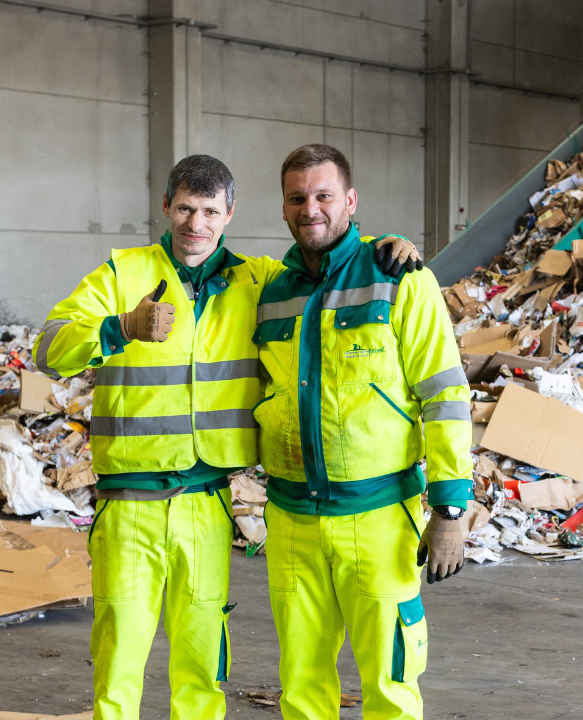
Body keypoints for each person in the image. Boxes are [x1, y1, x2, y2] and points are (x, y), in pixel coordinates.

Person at [31, 154, 421, 720]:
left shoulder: (256, 280)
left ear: (230, 213)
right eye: (185, 209)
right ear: (166, 207)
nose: (197, 224)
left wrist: (383, 246)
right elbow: (49, 348)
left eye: (210, 212)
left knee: (202, 668)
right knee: (118, 663)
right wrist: (121, 327)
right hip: (130, 507)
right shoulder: (123, 274)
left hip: (207, 504)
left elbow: (322, 264)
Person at [251, 144, 474, 720]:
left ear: (350, 201)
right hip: (292, 520)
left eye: (324, 196)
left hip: (377, 518)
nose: (311, 208)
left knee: (390, 684)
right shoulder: (272, 293)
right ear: (283, 207)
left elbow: (445, 396)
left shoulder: (399, 276)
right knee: (301, 685)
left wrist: (450, 511)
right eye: (298, 198)